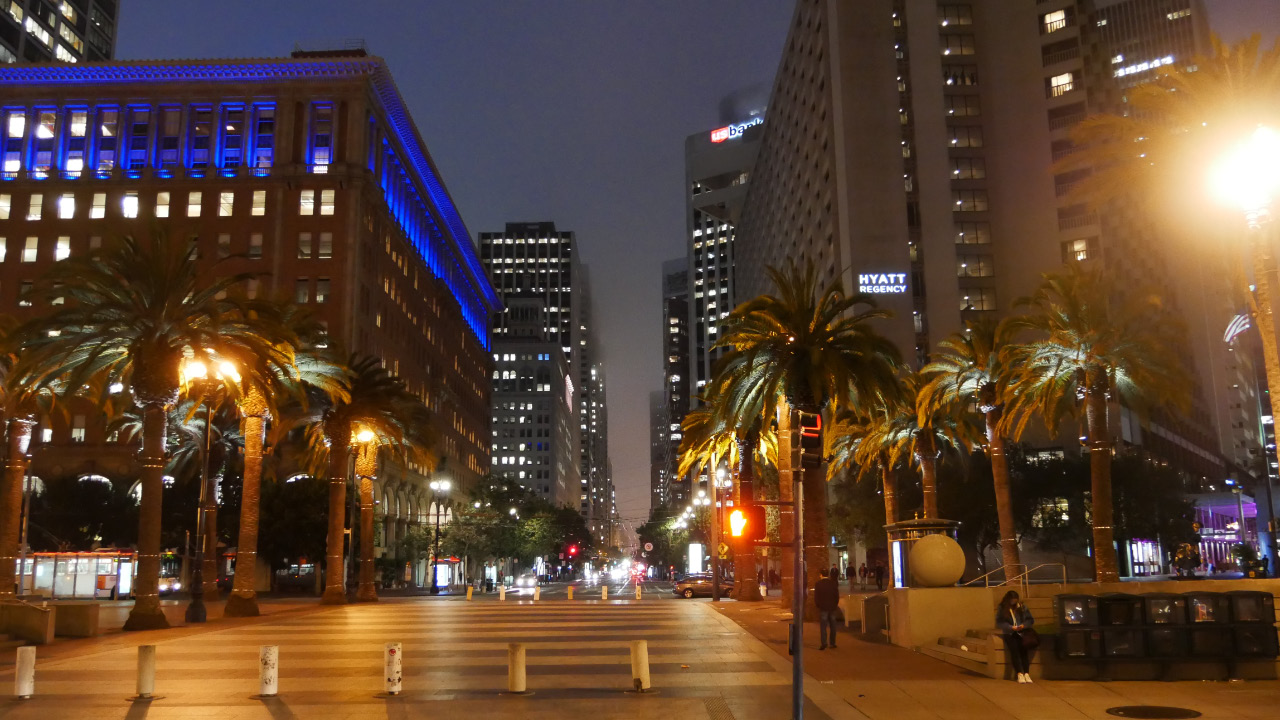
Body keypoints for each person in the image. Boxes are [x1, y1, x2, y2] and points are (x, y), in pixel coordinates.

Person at [997, 590, 1036, 684]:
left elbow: (1030, 620)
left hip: (1022, 632)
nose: (1014, 602)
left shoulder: (1022, 607)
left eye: (1015, 600)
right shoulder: (1002, 608)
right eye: (1012, 600)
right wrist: (1010, 627)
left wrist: (1023, 625)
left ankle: (1026, 673)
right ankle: (1019, 673)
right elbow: (1000, 622)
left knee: (1024, 652)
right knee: (1014, 652)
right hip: (1010, 633)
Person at [814, 567, 841, 650]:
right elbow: (837, 596)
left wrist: (818, 605)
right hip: (832, 607)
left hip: (823, 607)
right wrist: (835, 604)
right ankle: (832, 643)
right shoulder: (833, 583)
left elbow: (816, 596)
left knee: (823, 626)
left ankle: (824, 643)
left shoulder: (818, 584)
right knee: (833, 625)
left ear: (821, 575)